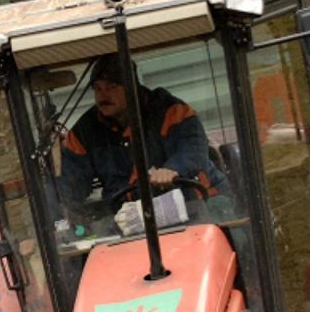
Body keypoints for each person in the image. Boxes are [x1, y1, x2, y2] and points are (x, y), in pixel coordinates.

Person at [58, 54, 227, 212]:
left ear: (132, 87)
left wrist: (172, 170)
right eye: (98, 89)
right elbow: (68, 179)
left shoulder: (170, 110)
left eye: (111, 87)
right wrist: (53, 213)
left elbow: (193, 148)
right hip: (129, 216)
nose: (103, 95)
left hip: (198, 202)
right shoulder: (85, 131)